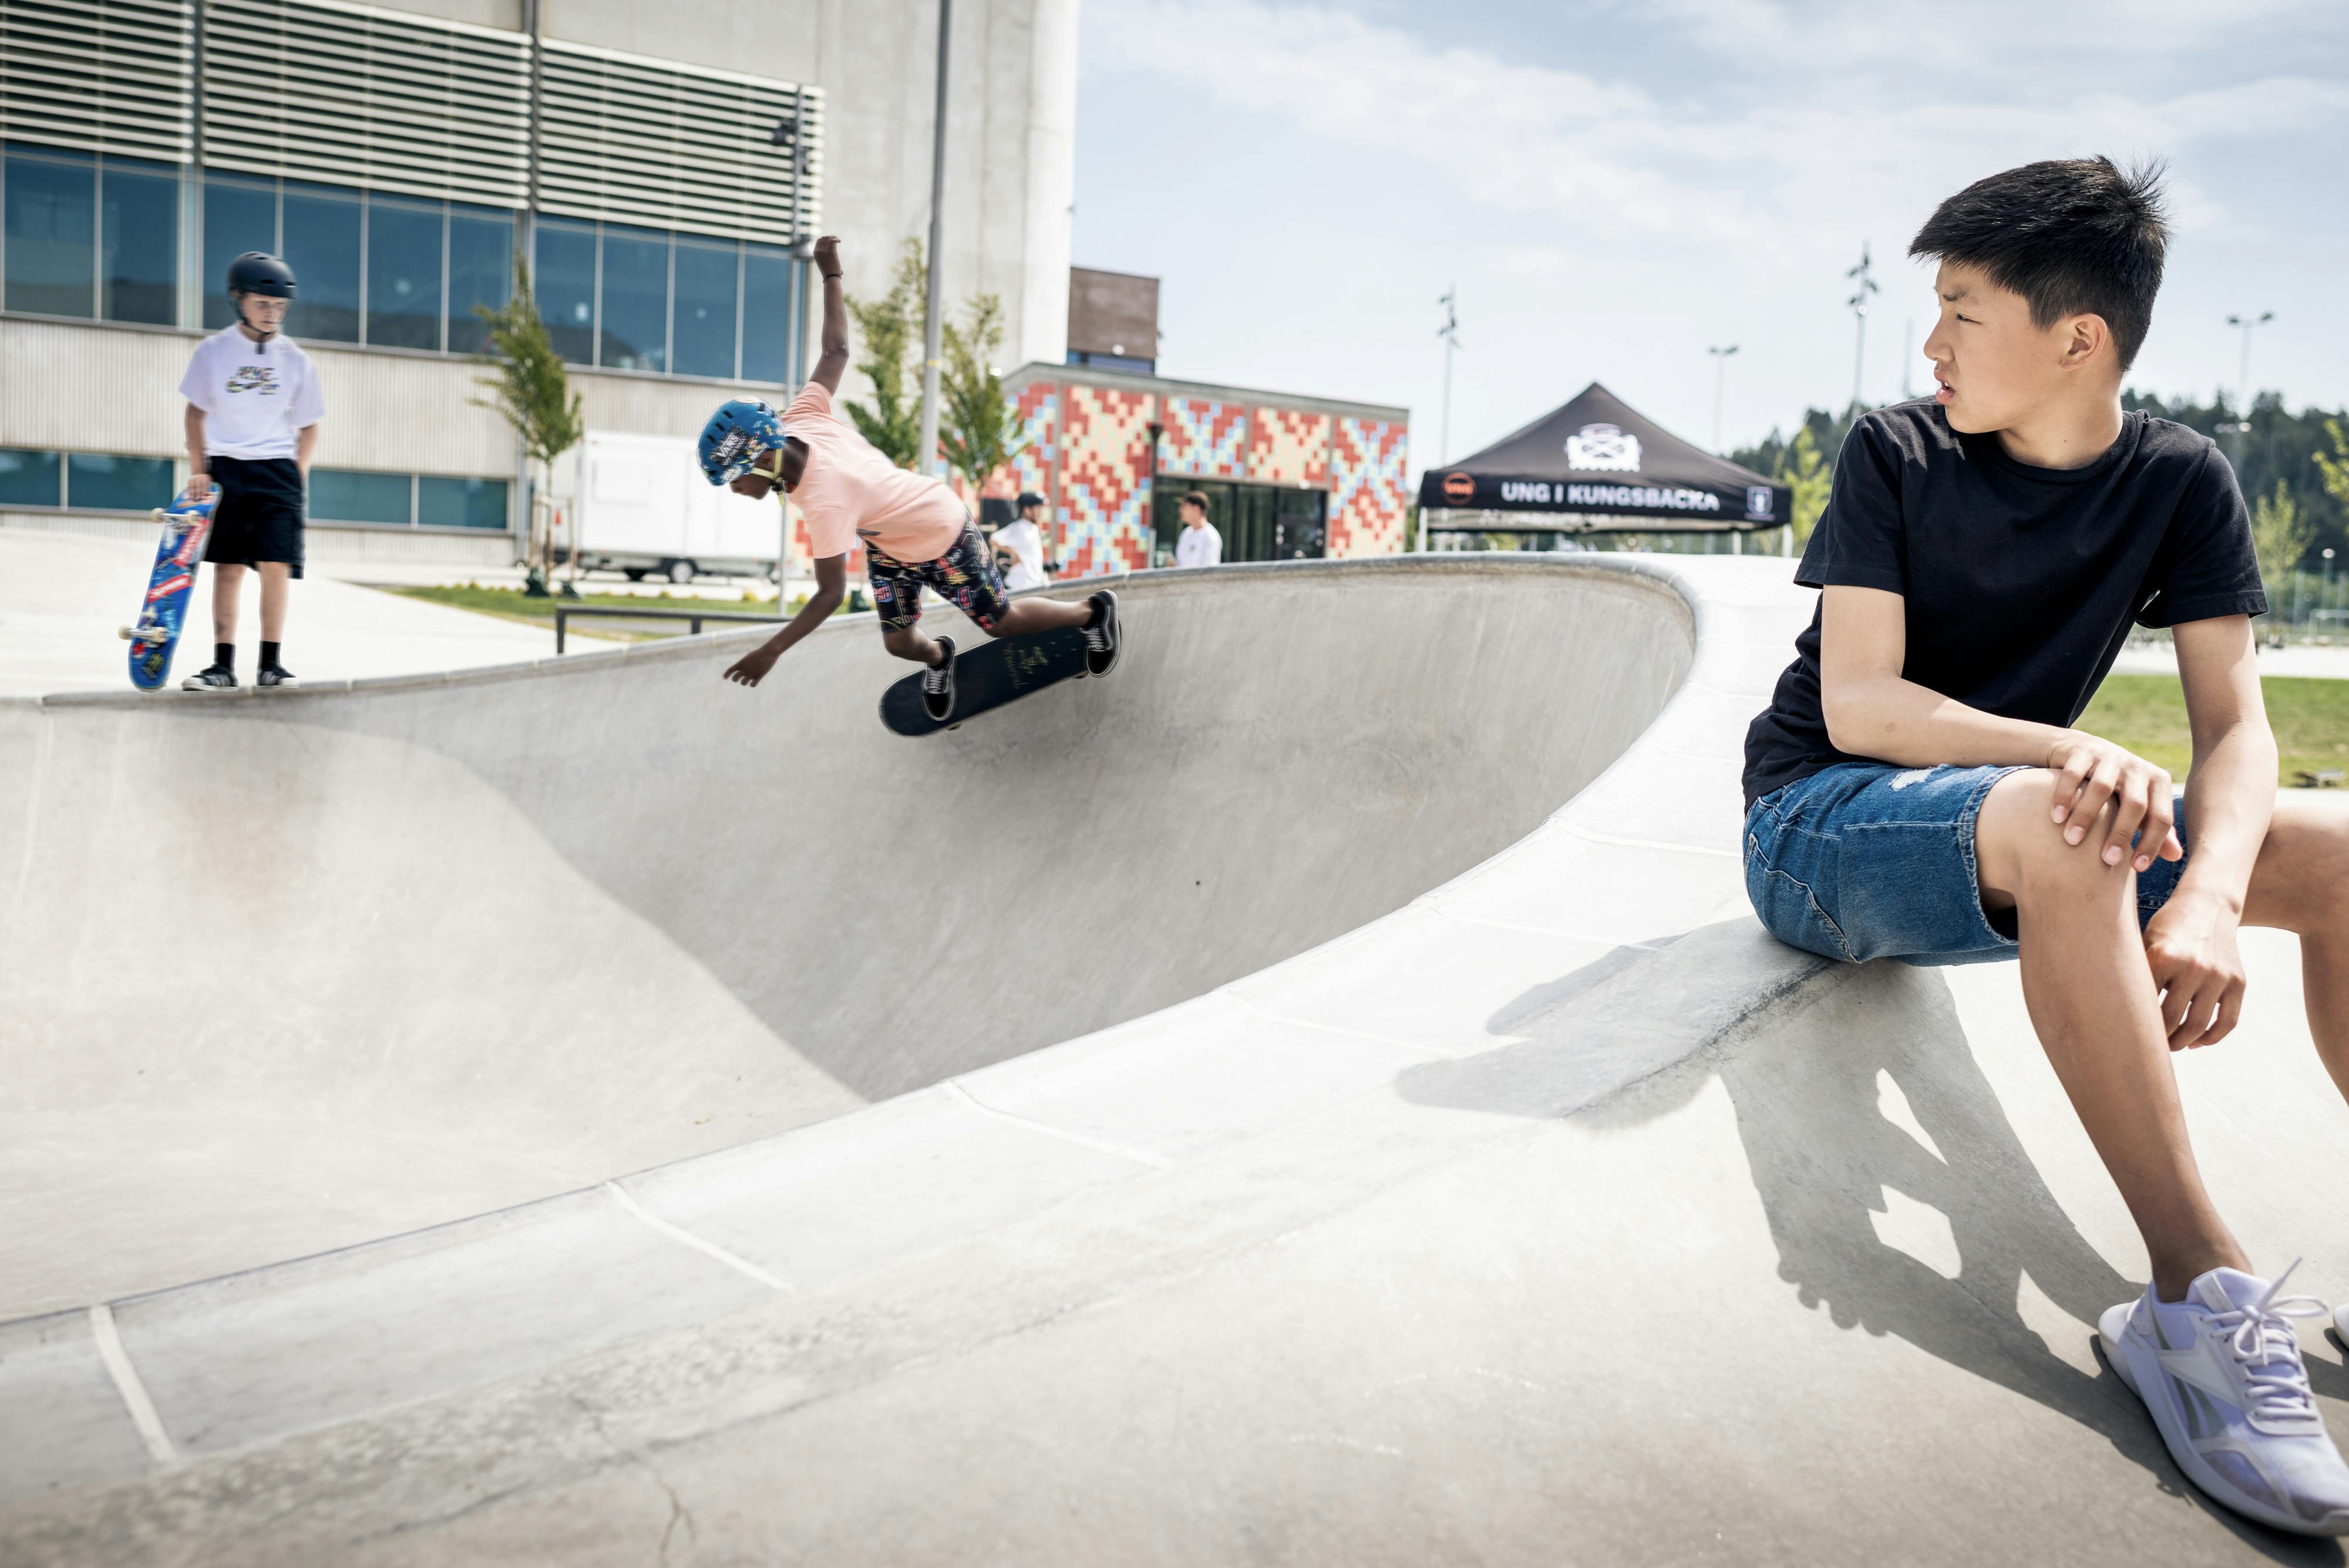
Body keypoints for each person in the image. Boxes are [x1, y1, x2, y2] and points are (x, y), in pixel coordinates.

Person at [1741, 157, 2349, 1536]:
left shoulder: (2182, 478)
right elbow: (1861, 704)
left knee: (2340, 848)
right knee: (2076, 819)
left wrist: (2205, 892)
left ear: (2077, 338)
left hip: (2022, 832)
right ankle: (2194, 1299)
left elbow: (2236, 730)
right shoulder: (1896, 452)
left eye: (1962, 311)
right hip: (1817, 825)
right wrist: (2065, 748)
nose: (1930, 343)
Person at [705, 237, 1118, 721]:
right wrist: (831, 273)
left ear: (762, 459)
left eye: (735, 479)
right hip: (891, 542)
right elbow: (836, 350)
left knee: (1000, 622)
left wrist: (771, 651)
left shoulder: (825, 500)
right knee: (900, 643)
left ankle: (1093, 613)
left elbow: (830, 594)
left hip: (942, 529)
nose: (735, 490)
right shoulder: (799, 418)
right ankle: (940, 658)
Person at [177, 252, 322, 690]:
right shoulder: (214, 351)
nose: (272, 313)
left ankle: (271, 664)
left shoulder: (296, 359)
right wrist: (199, 469)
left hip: (277, 471)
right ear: (238, 300)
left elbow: (310, 424)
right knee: (228, 567)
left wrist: (299, 472)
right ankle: (222, 665)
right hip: (227, 470)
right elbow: (194, 414)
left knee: (275, 565)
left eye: (279, 306)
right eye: (263, 303)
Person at [993, 492, 1052, 592]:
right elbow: (994, 539)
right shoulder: (1019, 527)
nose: (1041, 512)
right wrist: (1014, 553)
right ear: (1027, 510)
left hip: (1033, 584)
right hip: (1019, 585)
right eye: (1038, 508)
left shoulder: (1034, 528)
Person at [1174, 490, 1221, 568]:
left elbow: (1210, 571)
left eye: (1185, 506)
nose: (1180, 510)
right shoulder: (1186, 533)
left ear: (1196, 508)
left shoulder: (1210, 536)